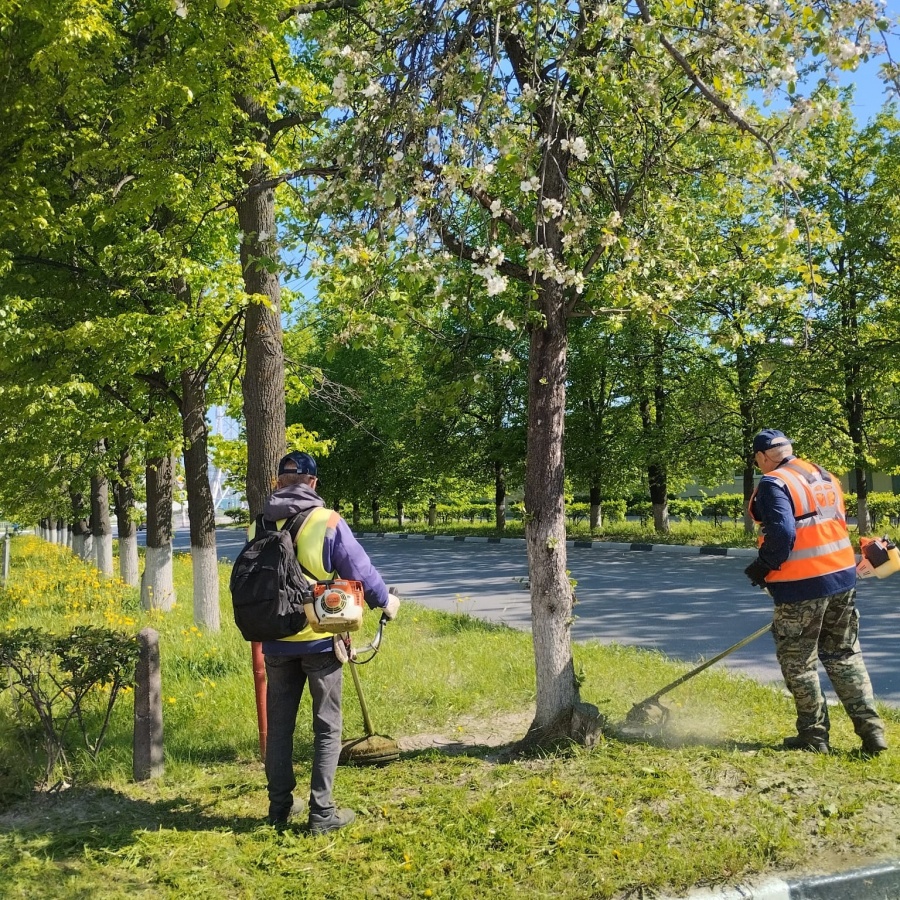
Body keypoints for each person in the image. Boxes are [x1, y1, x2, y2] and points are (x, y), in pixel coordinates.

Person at [255, 451, 400, 832]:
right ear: (313, 483)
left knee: (280, 726)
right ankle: (322, 813)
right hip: (321, 639)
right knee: (327, 725)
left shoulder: (261, 522)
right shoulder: (328, 521)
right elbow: (361, 571)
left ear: (278, 483)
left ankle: (280, 808)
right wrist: (386, 602)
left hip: (275, 639)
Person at [744, 429, 887, 756]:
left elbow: (782, 532)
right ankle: (872, 732)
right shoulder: (823, 475)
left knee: (798, 661)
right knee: (844, 654)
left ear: (764, 456)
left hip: (801, 586)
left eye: (757, 461)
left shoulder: (774, 483)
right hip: (842, 579)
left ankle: (814, 735)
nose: (759, 466)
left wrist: (763, 566)